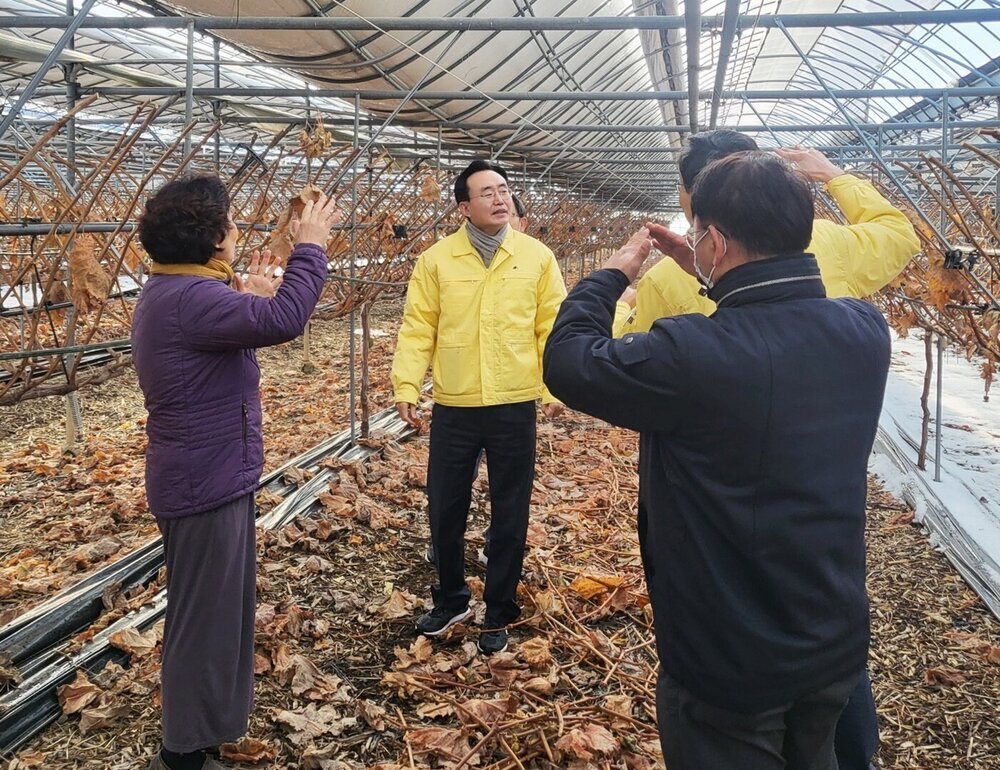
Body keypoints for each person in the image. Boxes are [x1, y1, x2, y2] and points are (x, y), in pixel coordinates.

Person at [543, 152, 891, 770]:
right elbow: (769, 333)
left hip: (730, 652)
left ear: (717, 239)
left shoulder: (692, 354)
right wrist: (713, 276)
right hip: (829, 632)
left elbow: (570, 360)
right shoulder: (863, 329)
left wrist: (610, 277)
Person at [132, 174, 340, 770]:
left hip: (210, 473)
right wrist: (311, 246)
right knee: (203, 620)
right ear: (211, 236)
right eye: (227, 224)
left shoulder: (180, 292)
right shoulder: (189, 299)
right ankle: (181, 757)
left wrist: (249, 291)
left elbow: (251, 319)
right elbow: (285, 320)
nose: (234, 232)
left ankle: (199, 739)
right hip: (204, 481)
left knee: (216, 613)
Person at [391, 159, 566, 655]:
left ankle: (499, 607)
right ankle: (451, 599)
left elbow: (551, 328)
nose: (499, 198)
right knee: (445, 507)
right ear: (464, 207)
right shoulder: (437, 260)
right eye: (487, 192)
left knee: (511, 509)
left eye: (504, 189)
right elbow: (418, 326)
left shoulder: (536, 257)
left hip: (514, 402)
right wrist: (406, 385)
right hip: (456, 403)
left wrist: (554, 388)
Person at [613, 131, 920, 336]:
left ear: (693, 196)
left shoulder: (665, 278)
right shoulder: (828, 241)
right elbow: (899, 234)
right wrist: (834, 175)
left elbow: (615, 360)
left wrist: (619, 303)